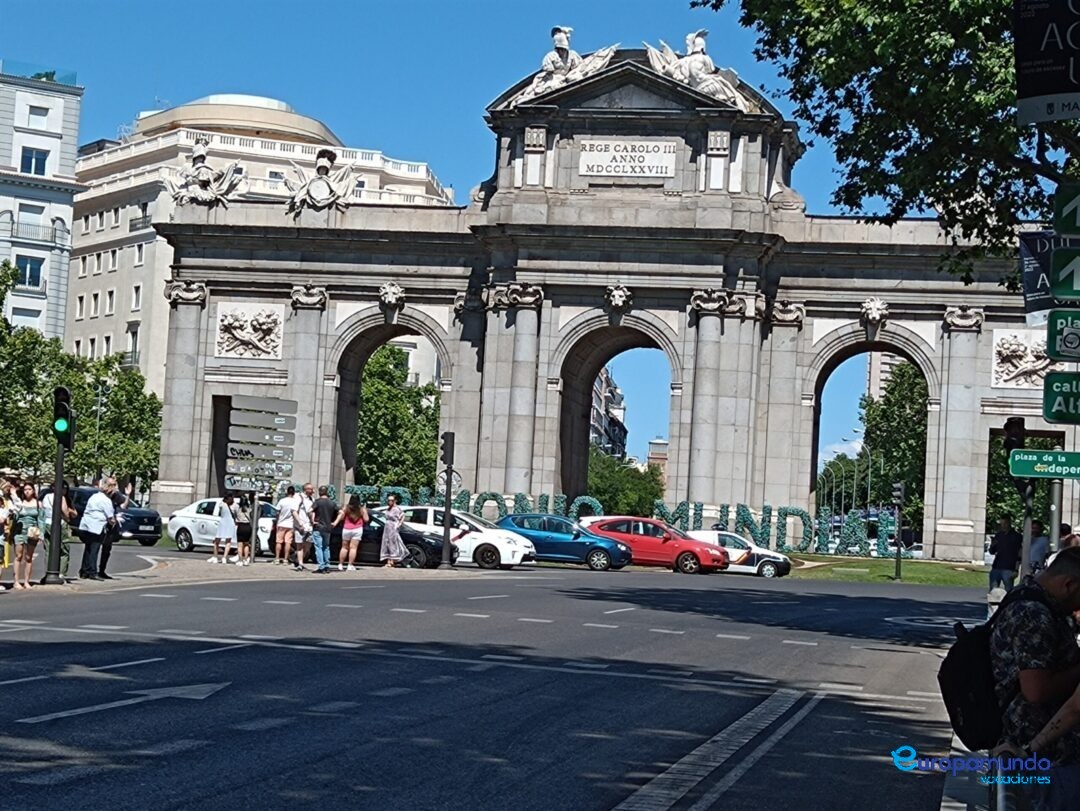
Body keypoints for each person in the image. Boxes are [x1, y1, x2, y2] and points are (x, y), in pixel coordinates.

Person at [990, 548, 1080, 809]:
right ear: (1068, 584)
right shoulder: (1034, 614)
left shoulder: (1023, 595)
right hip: (1048, 756)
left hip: (1035, 748)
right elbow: (1036, 691)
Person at [79, 480, 116, 580]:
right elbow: (110, 517)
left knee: (88, 548)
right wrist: (115, 522)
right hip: (97, 526)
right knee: (94, 549)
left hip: (87, 524)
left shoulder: (94, 496)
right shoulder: (106, 500)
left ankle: (84, 571)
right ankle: (92, 572)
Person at [40, 482, 77, 583]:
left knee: (49, 550)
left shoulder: (46, 497)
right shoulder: (61, 498)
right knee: (64, 550)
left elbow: (42, 510)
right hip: (59, 524)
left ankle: (48, 572)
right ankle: (61, 573)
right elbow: (65, 511)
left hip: (47, 523)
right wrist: (68, 518)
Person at [12, 483, 46, 590]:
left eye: (29, 489)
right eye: (25, 489)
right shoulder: (19, 503)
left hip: (32, 532)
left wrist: (41, 534)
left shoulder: (38, 504)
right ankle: (16, 581)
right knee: (18, 556)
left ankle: (26, 581)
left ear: (33, 491)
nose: (27, 491)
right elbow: (14, 516)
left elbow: (41, 520)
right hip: (19, 531)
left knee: (29, 557)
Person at [98, 482, 127, 580]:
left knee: (106, 549)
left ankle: (102, 570)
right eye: (111, 485)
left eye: (114, 485)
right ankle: (88, 570)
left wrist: (128, 495)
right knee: (94, 547)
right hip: (99, 523)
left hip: (110, 525)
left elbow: (124, 506)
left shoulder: (116, 496)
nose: (113, 487)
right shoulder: (101, 496)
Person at [310, 486, 341, 574]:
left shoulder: (317, 502)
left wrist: (312, 520)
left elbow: (310, 510)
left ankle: (321, 566)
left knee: (318, 547)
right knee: (326, 547)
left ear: (319, 492)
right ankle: (327, 565)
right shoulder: (332, 503)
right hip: (328, 528)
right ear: (327, 492)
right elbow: (341, 513)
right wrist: (335, 522)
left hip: (318, 527)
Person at [990, 516, 1023, 591]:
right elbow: (992, 551)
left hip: (1009, 568)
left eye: (1005, 523)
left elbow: (1020, 552)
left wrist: (1016, 569)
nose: (1003, 526)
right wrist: (992, 545)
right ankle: (992, 602)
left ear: (1009, 523)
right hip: (996, 566)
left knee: (1008, 590)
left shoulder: (1017, 536)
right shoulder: (998, 535)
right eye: (1001, 524)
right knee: (993, 591)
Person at [273, 486, 301, 567]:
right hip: (290, 524)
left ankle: (277, 558)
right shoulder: (295, 502)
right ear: (294, 493)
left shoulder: (282, 501)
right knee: (288, 542)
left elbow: (277, 512)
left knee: (279, 541)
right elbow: (296, 512)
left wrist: (277, 520)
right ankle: (285, 559)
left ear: (287, 492)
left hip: (281, 523)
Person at [339, 496, 367, 572]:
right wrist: (364, 512)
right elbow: (366, 519)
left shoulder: (346, 507)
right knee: (353, 548)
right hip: (357, 529)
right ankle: (350, 565)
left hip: (346, 528)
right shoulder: (361, 509)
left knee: (344, 547)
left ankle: (340, 564)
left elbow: (341, 518)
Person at [380, 494, 408, 568]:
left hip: (393, 527)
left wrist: (399, 524)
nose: (390, 502)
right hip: (387, 527)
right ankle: (388, 561)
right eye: (388, 500)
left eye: (391, 500)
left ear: (395, 501)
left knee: (392, 543)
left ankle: (392, 561)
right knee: (386, 543)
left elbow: (403, 515)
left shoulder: (397, 508)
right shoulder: (388, 508)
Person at [211, 494, 238, 564]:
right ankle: (224, 557)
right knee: (228, 541)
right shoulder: (235, 505)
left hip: (222, 522)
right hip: (230, 523)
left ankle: (215, 556)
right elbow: (236, 514)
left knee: (217, 540)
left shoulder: (222, 504)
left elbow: (220, 512)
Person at [296, 482, 316, 571]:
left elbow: (314, 511)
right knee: (299, 545)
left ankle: (298, 559)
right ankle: (300, 563)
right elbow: (294, 511)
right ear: (306, 489)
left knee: (308, 546)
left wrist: (313, 521)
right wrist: (299, 523)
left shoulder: (312, 499)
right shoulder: (299, 497)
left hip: (309, 526)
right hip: (300, 526)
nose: (313, 491)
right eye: (311, 489)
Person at [235, 495, 253, 566]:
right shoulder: (249, 508)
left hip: (241, 526)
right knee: (246, 544)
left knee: (240, 545)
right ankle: (246, 559)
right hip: (248, 526)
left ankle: (240, 560)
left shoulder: (238, 508)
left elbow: (235, 516)